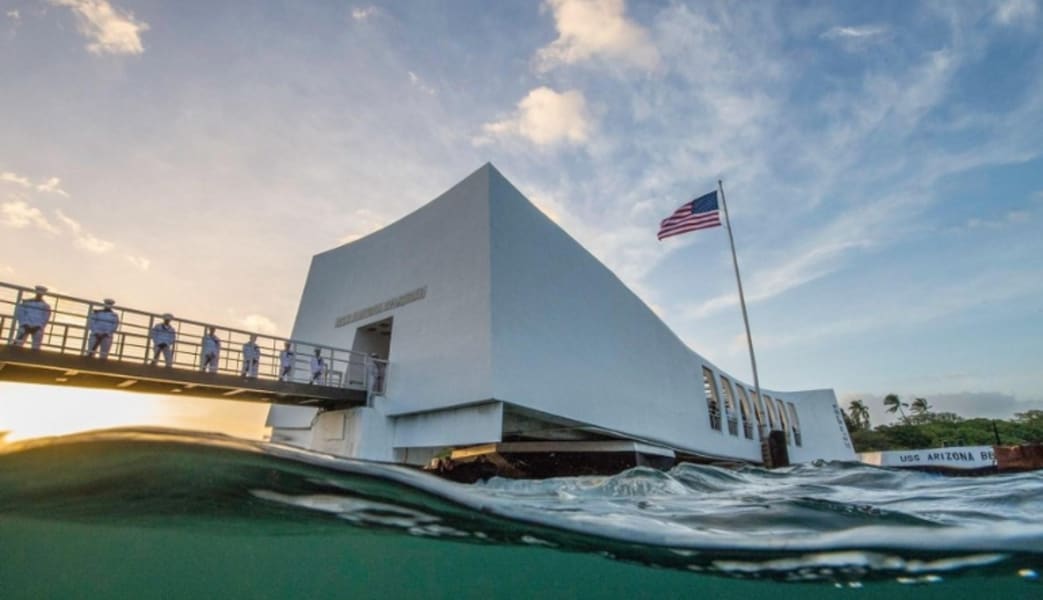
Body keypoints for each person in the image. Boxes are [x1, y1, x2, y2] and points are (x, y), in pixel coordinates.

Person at [13, 285, 51, 350]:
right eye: (38, 294)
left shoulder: (46, 306)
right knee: (19, 340)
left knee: (37, 342)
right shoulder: (26, 303)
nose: (39, 295)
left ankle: (34, 354)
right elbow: (20, 314)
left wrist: (39, 326)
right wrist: (24, 324)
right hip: (25, 325)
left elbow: (45, 318)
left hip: (37, 327)